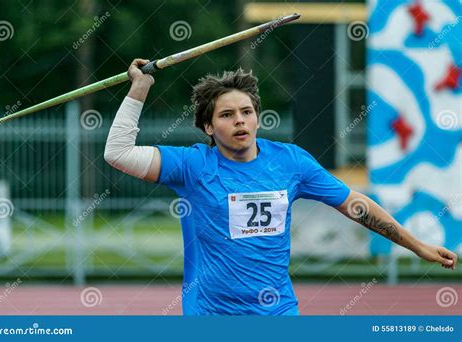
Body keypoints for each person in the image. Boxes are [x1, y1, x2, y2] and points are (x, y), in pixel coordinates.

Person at [104, 58, 458, 315]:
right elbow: (118, 153)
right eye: (226, 115)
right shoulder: (192, 165)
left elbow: (356, 205)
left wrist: (417, 246)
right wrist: (140, 88)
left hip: (277, 313)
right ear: (209, 128)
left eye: (246, 112)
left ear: (258, 117)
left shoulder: (291, 162)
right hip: (210, 315)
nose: (239, 120)